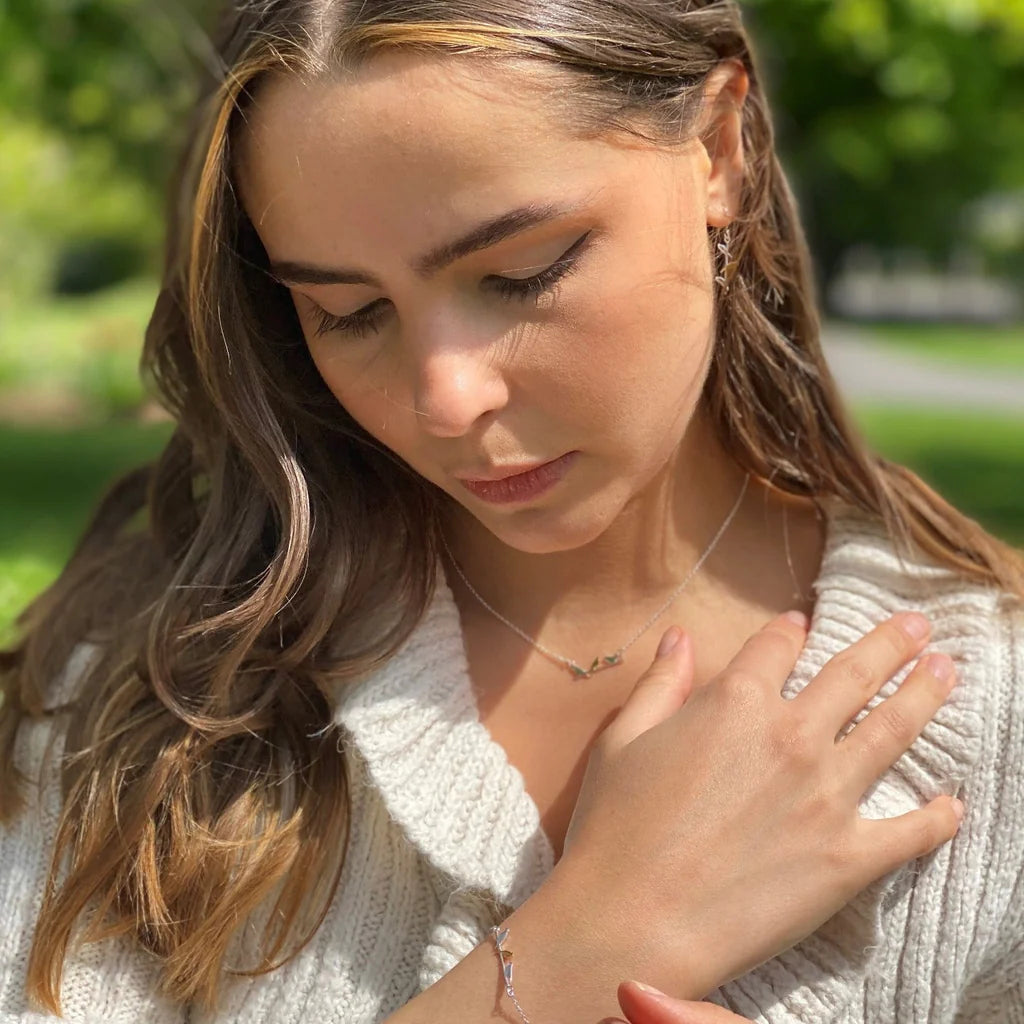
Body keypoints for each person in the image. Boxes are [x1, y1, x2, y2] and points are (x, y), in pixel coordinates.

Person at [1, 1, 1022, 1022]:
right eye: (347, 313)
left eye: (521, 272)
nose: (444, 400)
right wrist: (596, 937)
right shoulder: (152, 689)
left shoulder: (996, 718)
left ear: (718, 149)